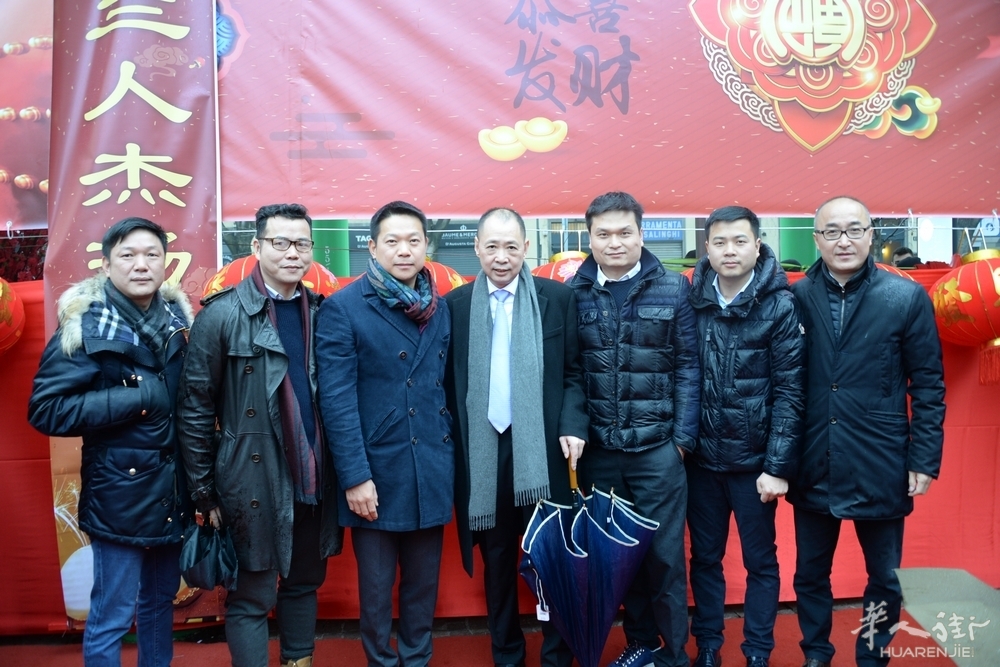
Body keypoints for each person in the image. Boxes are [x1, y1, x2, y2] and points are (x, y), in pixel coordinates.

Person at [176, 203, 342, 667]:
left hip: (313, 475)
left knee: (303, 584)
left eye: (302, 243)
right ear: (256, 246)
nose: (292, 253)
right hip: (249, 478)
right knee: (252, 595)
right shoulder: (221, 315)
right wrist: (203, 491)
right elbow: (194, 407)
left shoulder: (324, 312)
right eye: (280, 242)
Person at [28, 217, 193, 667]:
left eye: (152, 255)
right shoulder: (85, 326)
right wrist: (135, 399)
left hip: (173, 488)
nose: (141, 265)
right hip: (119, 492)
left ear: (165, 263)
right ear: (106, 264)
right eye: (128, 255)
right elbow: (46, 409)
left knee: (160, 604)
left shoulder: (179, 319)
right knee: (112, 613)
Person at [789, 196, 945, 667]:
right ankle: (816, 653)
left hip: (881, 458)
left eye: (854, 230)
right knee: (810, 573)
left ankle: (873, 656)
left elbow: (929, 383)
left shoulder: (904, 297)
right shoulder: (796, 297)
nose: (844, 241)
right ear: (817, 239)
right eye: (832, 231)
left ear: (871, 235)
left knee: (885, 577)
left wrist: (924, 458)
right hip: (813, 454)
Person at [445, 207, 588, 667]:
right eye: (492, 246)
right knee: (498, 559)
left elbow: (574, 373)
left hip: (542, 451)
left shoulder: (556, 299)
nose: (501, 257)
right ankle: (506, 653)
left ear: (526, 247)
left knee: (551, 555)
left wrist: (572, 424)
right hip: (484, 452)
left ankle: (557, 654)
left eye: (511, 247)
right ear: (477, 248)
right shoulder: (456, 306)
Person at [316, 201, 453, 667]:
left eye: (414, 241)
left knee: (423, 585)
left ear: (427, 245)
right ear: (372, 248)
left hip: (430, 464)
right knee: (376, 591)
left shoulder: (439, 307)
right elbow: (336, 402)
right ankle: (379, 660)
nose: (404, 250)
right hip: (376, 470)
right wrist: (355, 477)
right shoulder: (344, 308)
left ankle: (417, 659)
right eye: (392, 241)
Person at [569, 191, 701, 667]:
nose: (615, 243)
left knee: (665, 561)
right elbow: (571, 371)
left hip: (658, 452)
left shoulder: (673, 288)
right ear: (590, 238)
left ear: (641, 235)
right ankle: (642, 646)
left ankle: (675, 655)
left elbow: (689, 366)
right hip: (599, 455)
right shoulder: (574, 291)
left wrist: (681, 442)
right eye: (603, 234)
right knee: (619, 561)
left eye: (625, 232)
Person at [686, 206, 805, 667]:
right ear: (707, 248)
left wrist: (777, 466)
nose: (730, 251)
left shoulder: (780, 305)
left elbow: (791, 391)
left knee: (761, 562)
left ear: (757, 245)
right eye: (720, 242)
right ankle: (708, 647)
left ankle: (757, 651)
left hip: (755, 465)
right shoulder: (692, 299)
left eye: (740, 241)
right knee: (704, 559)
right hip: (700, 462)